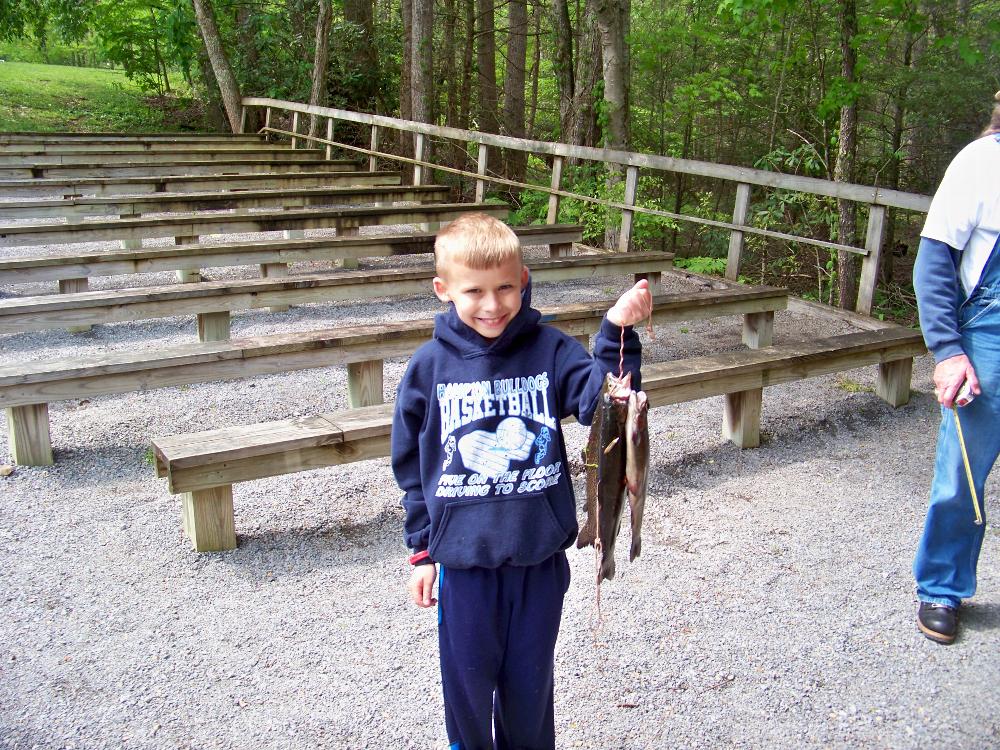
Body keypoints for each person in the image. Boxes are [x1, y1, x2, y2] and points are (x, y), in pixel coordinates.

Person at [391, 212, 652, 748]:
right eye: (474, 291)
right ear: (443, 290)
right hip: (465, 573)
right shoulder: (427, 368)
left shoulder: (549, 350)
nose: (493, 304)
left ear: (524, 280)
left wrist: (616, 332)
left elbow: (601, 400)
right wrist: (421, 550)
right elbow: (412, 468)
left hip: (539, 566)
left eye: (505, 288)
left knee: (529, 698)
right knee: (467, 698)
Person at [912, 92, 1000, 645]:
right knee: (962, 472)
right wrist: (948, 351)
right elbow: (934, 260)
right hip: (989, 334)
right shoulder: (981, 163)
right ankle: (942, 586)